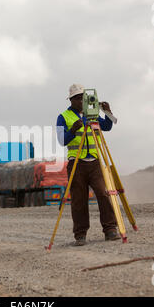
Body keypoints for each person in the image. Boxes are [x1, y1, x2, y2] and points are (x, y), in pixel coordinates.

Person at [56, 84, 119, 246]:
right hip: (76, 163)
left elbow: (108, 127)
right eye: (77, 98)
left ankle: (110, 229)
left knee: (103, 194)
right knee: (79, 200)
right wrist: (73, 130)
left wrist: (107, 112)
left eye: (83, 98)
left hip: (95, 162)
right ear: (71, 100)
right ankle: (80, 234)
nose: (81, 101)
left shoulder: (91, 114)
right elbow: (62, 140)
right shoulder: (63, 117)